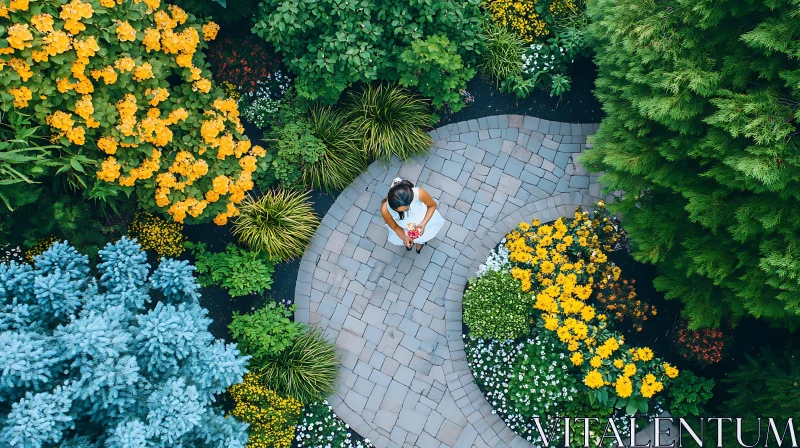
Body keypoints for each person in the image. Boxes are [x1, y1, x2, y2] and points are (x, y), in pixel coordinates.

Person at [381, 178, 446, 254]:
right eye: (400, 211)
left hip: (425, 220)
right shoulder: (386, 210)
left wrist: (423, 223)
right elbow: (395, 227)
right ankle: (416, 241)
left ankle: (421, 241)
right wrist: (405, 239)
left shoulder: (419, 193)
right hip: (404, 229)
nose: (405, 211)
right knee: (411, 238)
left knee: (423, 235)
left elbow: (432, 205)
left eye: (407, 208)